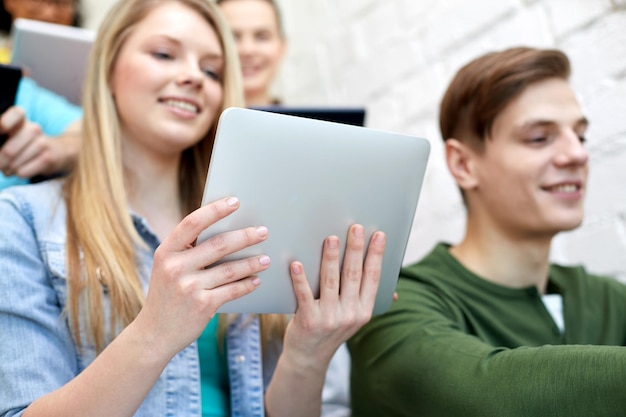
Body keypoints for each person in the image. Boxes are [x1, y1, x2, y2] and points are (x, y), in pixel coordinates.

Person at [0, 0, 386, 416]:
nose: (192, 77)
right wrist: (155, 332)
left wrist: (308, 356)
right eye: (164, 54)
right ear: (109, 68)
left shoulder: (261, 230)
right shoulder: (23, 220)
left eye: (212, 70)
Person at [348, 46, 626, 417]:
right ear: (463, 164)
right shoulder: (394, 306)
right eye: (540, 138)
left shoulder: (610, 301)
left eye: (580, 136)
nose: (577, 154)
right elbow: (484, 397)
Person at [0, 0, 82, 190]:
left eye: (61, 4)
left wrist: (56, 149)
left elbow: (90, 134)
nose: (48, 13)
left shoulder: (24, 91)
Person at [216, 0, 285, 106]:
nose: (247, 50)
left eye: (262, 37)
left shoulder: (306, 122)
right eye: (232, 37)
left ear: (282, 47)